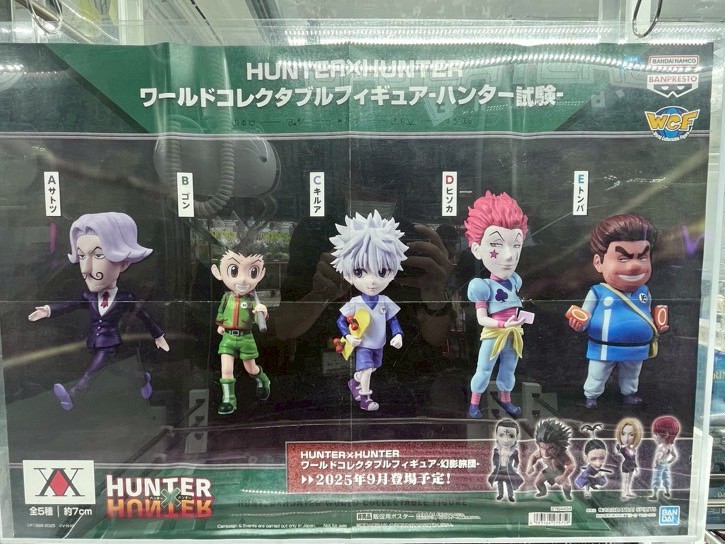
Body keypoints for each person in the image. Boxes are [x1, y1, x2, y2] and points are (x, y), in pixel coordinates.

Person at [27, 212, 169, 410]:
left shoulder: (125, 298)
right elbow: (70, 305)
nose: (86, 269)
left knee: (92, 371)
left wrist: (158, 336)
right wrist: (49, 310)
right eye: (81, 256)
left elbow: (144, 316)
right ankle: (141, 378)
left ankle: (73, 394)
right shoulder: (89, 296)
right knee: (116, 369)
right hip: (94, 341)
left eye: (98, 255)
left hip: (109, 343)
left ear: (124, 263)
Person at [567, 214, 669, 408]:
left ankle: (629, 394)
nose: (634, 266)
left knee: (632, 374)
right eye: (622, 258)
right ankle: (591, 396)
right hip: (604, 347)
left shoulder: (644, 292)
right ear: (599, 263)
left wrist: (658, 326)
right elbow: (584, 317)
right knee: (597, 373)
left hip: (636, 348)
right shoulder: (597, 292)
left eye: (642, 257)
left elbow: (647, 314)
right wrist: (579, 324)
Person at [330, 211, 408, 411]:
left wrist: (398, 335)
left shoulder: (385, 301)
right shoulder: (355, 302)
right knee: (367, 370)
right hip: (363, 344)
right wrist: (348, 336)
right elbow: (340, 321)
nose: (372, 281)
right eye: (359, 272)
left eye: (382, 271)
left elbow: (393, 321)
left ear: (392, 273)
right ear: (348, 276)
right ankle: (365, 399)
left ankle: (355, 381)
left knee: (372, 368)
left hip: (379, 343)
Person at [464, 191, 530, 418]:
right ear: (477, 249)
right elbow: (482, 318)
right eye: (496, 244)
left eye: (516, 244)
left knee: (509, 369)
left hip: (514, 333)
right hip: (495, 334)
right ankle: (474, 403)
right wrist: (503, 325)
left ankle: (506, 400)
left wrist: (517, 322)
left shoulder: (514, 281)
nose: (509, 255)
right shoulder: (481, 286)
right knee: (484, 368)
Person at [211, 249, 271, 415]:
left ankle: (263, 380)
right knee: (226, 370)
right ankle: (229, 400)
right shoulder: (226, 298)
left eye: (253, 272)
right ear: (218, 272)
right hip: (228, 338)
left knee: (251, 369)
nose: (243, 279)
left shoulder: (252, 301)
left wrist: (263, 312)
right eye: (234, 270)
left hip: (246, 338)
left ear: (261, 274)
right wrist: (220, 324)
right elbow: (221, 312)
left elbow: (258, 318)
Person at [527, 418, 575, 500]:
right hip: (549, 470)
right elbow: (533, 456)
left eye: (550, 448)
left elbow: (571, 465)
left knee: (566, 485)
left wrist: (563, 477)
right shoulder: (541, 452)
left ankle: (568, 496)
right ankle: (543, 492)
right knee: (538, 482)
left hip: (560, 471)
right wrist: (530, 465)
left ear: (557, 446)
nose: (545, 452)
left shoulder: (562, 454)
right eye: (542, 447)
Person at [487, 419, 523, 502]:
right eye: (501, 435)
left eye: (511, 436)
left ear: (517, 437)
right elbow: (494, 458)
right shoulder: (496, 450)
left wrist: (515, 467)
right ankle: (500, 494)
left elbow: (517, 460)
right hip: (499, 468)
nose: (506, 440)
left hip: (508, 469)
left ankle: (510, 495)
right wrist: (494, 465)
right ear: (496, 435)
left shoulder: (514, 451)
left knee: (509, 482)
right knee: (500, 482)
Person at [574, 424, 610, 498]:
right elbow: (585, 475)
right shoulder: (588, 469)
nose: (598, 464)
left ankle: (593, 484)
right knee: (587, 480)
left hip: (595, 477)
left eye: (602, 458)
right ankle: (587, 491)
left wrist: (598, 475)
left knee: (602, 481)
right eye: (593, 459)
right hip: (588, 477)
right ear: (586, 458)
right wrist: (594, 476)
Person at [650, 415, 680, 500]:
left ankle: (654, 495)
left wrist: (656, 463)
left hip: (660, 464)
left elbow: (658, 458)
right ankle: (667, 491)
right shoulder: (670, 446)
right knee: (666, 477)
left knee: (656, 478)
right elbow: (674, 456)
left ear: (666, 434)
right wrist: (668, 462)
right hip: (665, 463)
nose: (654, 436)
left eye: (656, 434)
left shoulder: (661, 448)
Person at [615, 417, 644, 499]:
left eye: (631, 435)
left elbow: (634, 459)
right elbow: (619, 450)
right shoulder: (623, 449)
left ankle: (627, 492)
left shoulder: (633, 449)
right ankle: (624, 493)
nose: (626, 438)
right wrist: (619, 447)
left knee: (629, 480)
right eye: (623, 434)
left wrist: (636, 467)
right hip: (625, 465)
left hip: (632, 466)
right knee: (625, 480)